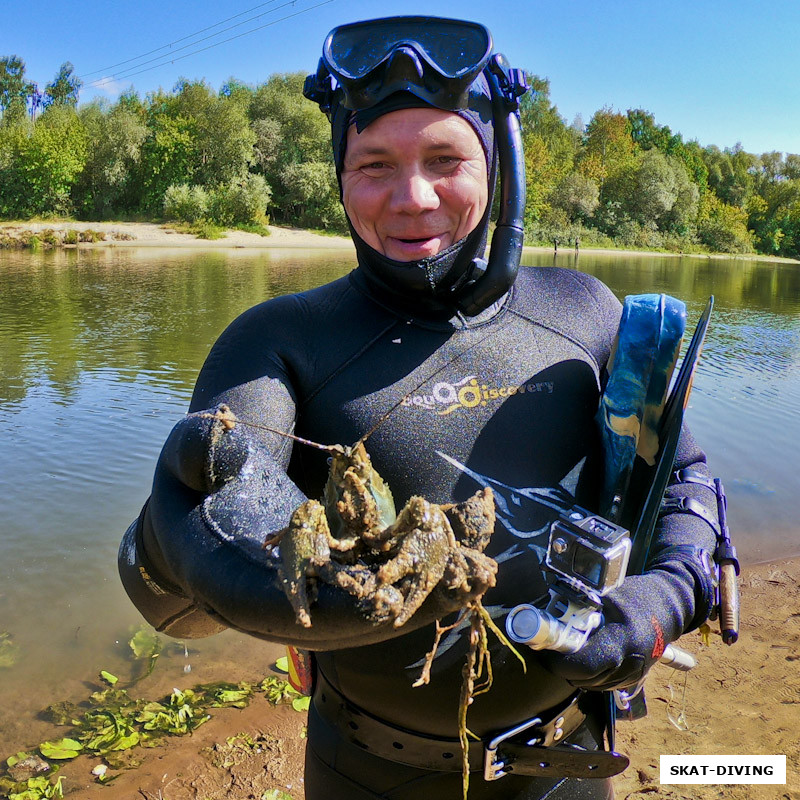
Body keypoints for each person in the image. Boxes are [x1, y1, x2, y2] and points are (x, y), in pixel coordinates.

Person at [118, 16, 719, 800]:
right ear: (340, 177)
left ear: (497, 164)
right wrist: (184, 541)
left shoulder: (586, 311)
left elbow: (682, 481)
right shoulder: (278, 341)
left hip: (568, 759)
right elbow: (180, 584)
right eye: (373, 164)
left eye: (446, 159)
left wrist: (660, 603)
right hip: (366, 771)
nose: (412, 198)